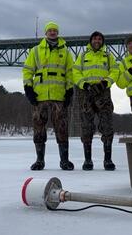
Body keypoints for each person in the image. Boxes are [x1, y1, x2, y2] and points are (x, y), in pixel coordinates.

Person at [22, 21, 74, 171]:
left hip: (59, 96)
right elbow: (27, 70)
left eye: (55, 30)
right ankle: (39, 161)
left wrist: (70, 90)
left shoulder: (65, 52)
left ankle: (64, 161)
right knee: (39, 127)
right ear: (46, 33)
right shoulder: (36, 50)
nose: (52, 32)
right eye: (50, 30)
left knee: (62, 127)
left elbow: (70, 72)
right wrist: (28, 88)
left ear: (57, 33)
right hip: (40, 96)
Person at [73, 31, 119, 171]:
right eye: (94, 38)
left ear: (102, 41)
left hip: (103, 92)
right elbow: (75, 72)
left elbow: (115, 71)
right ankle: (88, 160)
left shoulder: (108, 56)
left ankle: (108, 160)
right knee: (86, 126)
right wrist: (84, 85)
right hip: (86, 93)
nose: (97, 41)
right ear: (91, 41)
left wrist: (106, 83)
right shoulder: (82, 56)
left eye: (99, 39)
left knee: (107, 125)